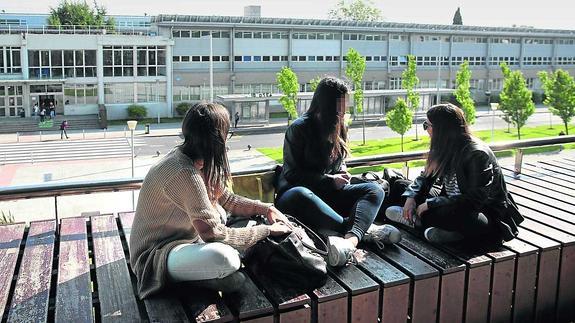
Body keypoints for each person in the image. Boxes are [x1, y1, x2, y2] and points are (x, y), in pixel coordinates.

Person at [129, 102, 291, 299]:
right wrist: (266, 230)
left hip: (187, 244)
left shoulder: (196, 160)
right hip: (155, 256)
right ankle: (197, 278)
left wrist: (266, 208)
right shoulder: (184, 172)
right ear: (217, 138)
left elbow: (228, 200)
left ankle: (200, 277)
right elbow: (212, 234)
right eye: (227, 133)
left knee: (233, 250)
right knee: (225, 259)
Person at [275, 77, 401, 267]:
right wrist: (329, 180)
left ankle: (350, 241)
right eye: (340, 103)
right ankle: (363, 231)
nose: (344, 109)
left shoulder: (340, 125)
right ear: (326, 102)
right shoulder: (299, 128)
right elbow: (292, 174)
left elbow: (339, 161)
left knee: (376, 190)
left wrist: (342, 173)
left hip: (329, 193)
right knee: (300, 194)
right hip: (296, 194)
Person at [384, 103, 524, 244]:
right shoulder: (445, 146)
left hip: (483, 211)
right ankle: (428, 224)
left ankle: (419, 221)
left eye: (428, 125)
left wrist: (430, 204)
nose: (426, 130)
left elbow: (474, 200)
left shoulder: (476, 154)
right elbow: (425, 178)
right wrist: (411, 197)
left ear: (442, 129)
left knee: (459, 216)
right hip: (450, 201)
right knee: (399, 186)